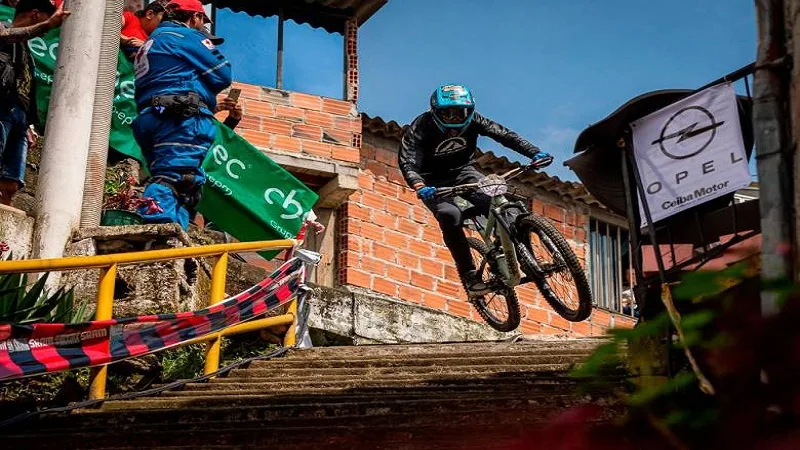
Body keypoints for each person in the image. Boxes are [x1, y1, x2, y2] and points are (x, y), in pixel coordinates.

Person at [398, 84, 553, 295]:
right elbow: (408, 162)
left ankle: (526, 257)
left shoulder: (475, 120)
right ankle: (469, 275)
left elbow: (506, 136)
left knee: (501, 201)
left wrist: (534, 153)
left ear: (470, 110)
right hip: (433, 182)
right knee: (449, 214)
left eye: (460, 112)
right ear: (435, 111)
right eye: (447, 113)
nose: (454, 119)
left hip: (464, 172)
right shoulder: (421, 126)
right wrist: (420, 186)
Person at [132, 0, 231, 230]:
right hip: (180, 118)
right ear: (194, 17)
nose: (201, 27)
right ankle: (156, 233)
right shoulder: (183, 36)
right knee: (177, 179)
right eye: (201, 21)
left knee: (180, 185)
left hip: (153, 115)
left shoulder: (151, 42)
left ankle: (173, 236)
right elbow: (223, 73)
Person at [0, 0, 68, 206]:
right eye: (46, 24)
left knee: (11, 182)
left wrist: (28, 123)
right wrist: (47, 25)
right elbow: (6, 35)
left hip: (19, 117)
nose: (45, 34)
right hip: (1, 109)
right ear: (35, 14)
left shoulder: (25, 50)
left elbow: (24, 86)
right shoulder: (3, 27)